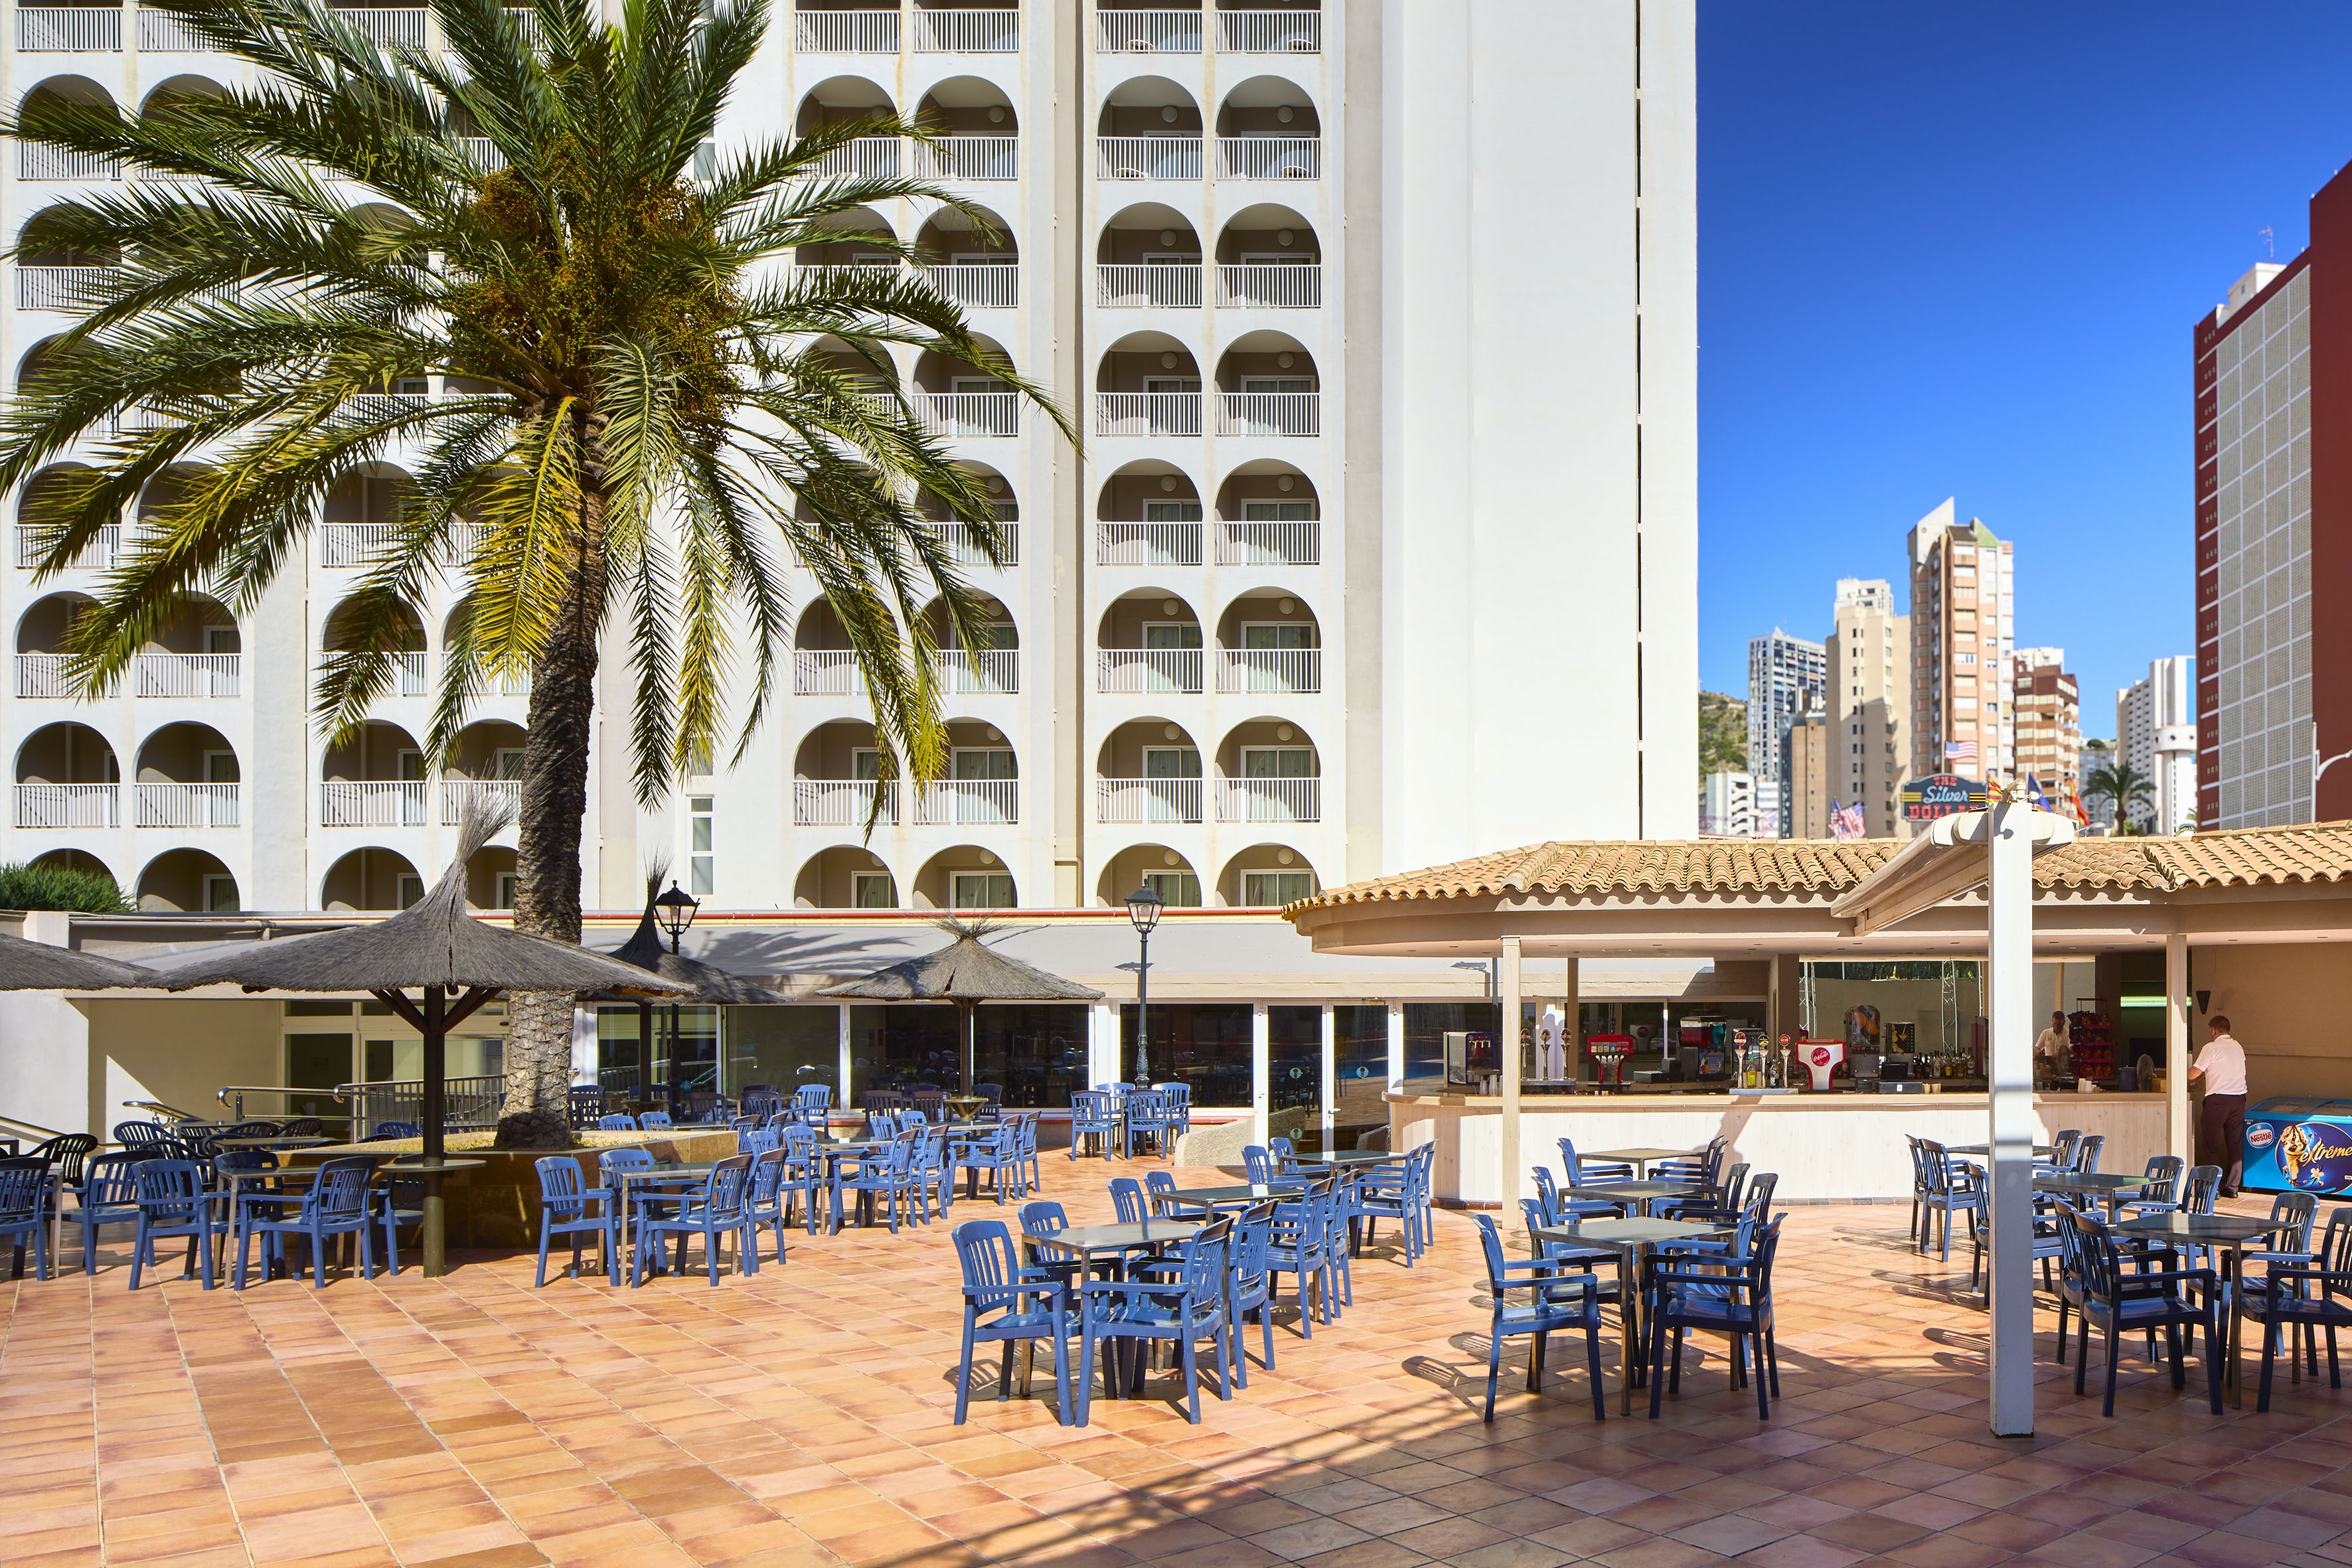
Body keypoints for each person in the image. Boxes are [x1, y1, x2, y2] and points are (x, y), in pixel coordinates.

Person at [2189, 1014, 2248, 1198]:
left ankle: (2212, 1188)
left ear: (2213, 1031)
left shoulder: (2211, 1048)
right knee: (2235, 1144)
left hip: (2218, 1101)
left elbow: (2193, 1074)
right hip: (2239, 1099)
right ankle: (2232, 1187)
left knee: (2211, 1143)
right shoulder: (2238, 1047)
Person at [2033, 1011, 2073, 1083]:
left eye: (2059, 1024)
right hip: (2048, 1069)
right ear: (2052, 1021)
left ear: (2064, 1022)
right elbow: (2036, 1048)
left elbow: (2071, 1049)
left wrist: (2057, 1055)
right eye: (2055, 1024)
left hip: (2063, 1068)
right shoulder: (2046, 1033)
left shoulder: (2068, 1034)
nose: (2057, 1026)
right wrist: (2039, 1052)